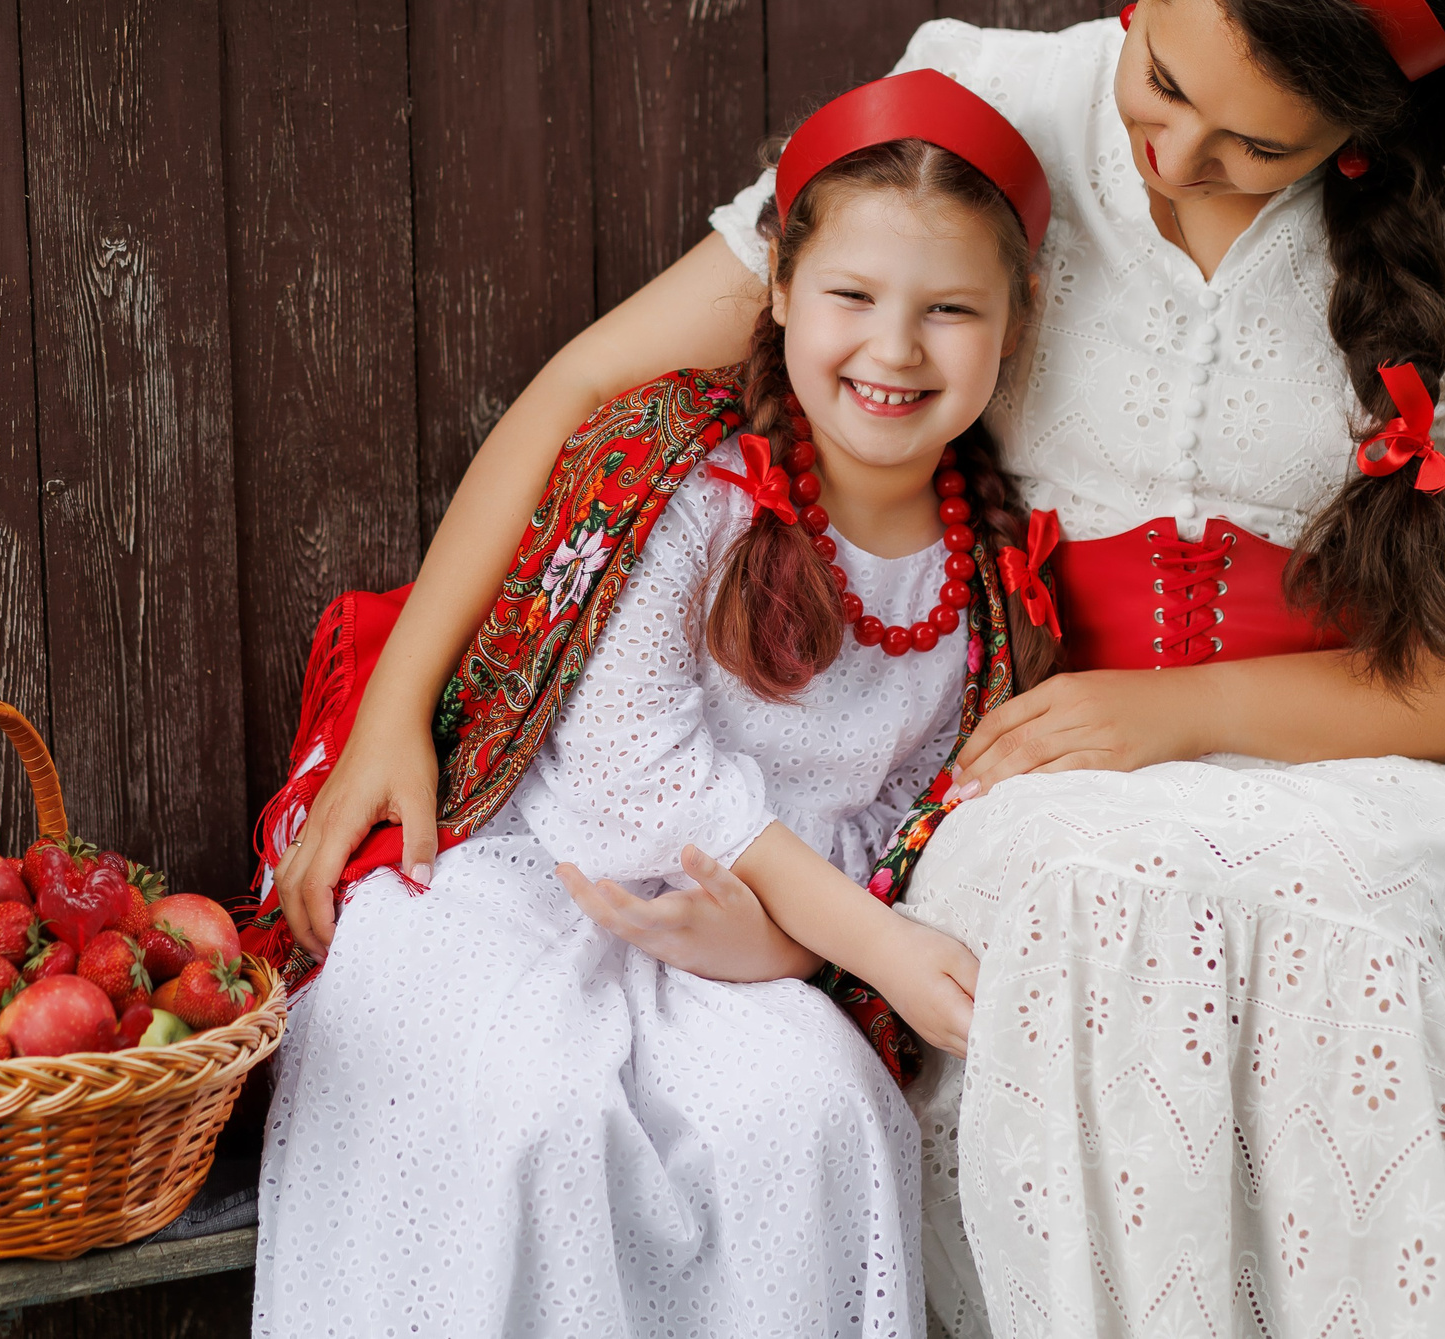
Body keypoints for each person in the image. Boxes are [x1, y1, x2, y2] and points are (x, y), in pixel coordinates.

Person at [272, 0, 1445, 1339]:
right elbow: (584, 392)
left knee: (1314, 919)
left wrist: (1186, 713)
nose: (1176, 156)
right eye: (1162, 75)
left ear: (1373, 134)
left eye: (1258, 145)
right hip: (1022, 775)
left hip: (1363, 768)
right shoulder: (983, 109)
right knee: (1093, 896)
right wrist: (399, 706)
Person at [251, 74, 1065, 1339]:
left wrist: (795, 948)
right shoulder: (684, 483)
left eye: (949, 310)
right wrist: (872, 948)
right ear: (779, 290)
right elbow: (634, 771)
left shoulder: (986, 571)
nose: (894, 349)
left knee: (818, 1118)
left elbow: (913, 813)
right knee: (529, 1110)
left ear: (1016, 326)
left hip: (756, 941)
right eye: (851, 296)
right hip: (532, 883)